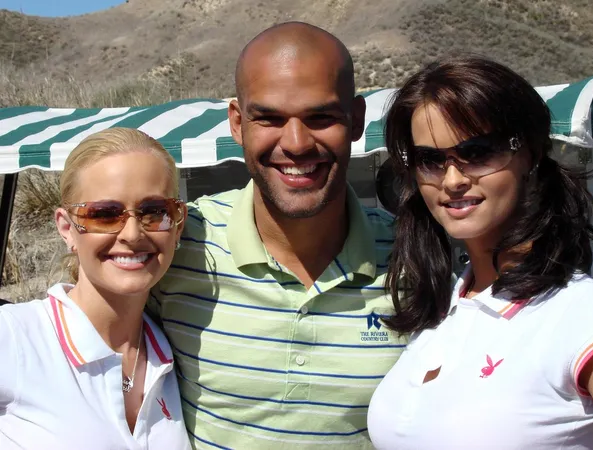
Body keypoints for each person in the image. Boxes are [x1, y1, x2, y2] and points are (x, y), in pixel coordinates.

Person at [149, 22, 407, 449]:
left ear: (357, 120)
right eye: (268, 118)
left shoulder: (414, 261)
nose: (296, 143)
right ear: (237, 122)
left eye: (320, 117)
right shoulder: (178, 245)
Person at [367, 55, 593, 448]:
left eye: (477, 152)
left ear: (529, 152)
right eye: (430, 160)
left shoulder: (580, 316)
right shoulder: (445, 310)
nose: (453, 179)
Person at [0, 128, 192, 449]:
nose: (132, 234)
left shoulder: (174, 358)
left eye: (154, 212)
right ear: (67, 229)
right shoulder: (16, 338)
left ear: (177, 225)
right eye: (104, 215)